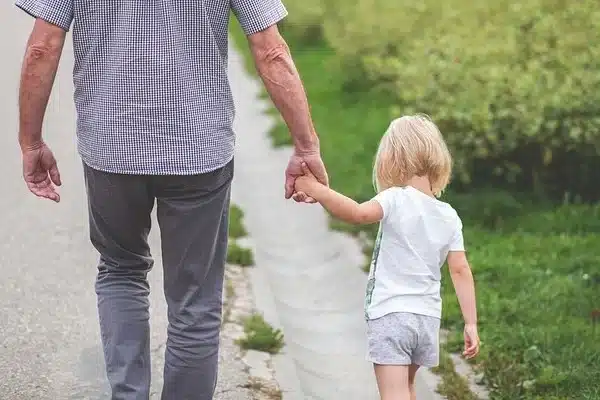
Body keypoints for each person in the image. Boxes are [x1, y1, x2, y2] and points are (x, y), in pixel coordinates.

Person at [15, 0, 327, 398]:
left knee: (120, 271)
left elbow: (43, 46)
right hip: (199, 150)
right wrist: (305, 144)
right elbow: (271, 50)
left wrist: (31, 140)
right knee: (195, 301)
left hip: (112, 149)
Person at [294, 115, 480, 400]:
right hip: (427, 319)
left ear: (392, 159)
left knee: (394, 394)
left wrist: (317, 190)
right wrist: (471, 323)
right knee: (406, 389)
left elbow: (357, 214)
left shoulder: (395, 198)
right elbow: (460, 270)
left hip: (392, 315)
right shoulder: (449, 216)